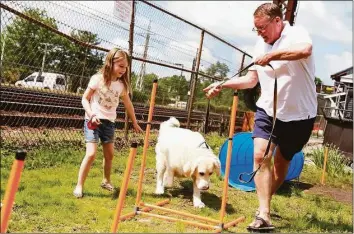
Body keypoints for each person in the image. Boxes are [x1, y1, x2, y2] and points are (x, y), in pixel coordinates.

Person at [203, 3, 317, 231]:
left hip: (299, 114)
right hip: (268, 109)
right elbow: (251, 80)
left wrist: (273, 55)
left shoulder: (295, 33)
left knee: (282, 161)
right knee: (259, 156)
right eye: (256, 29)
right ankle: (263, 213)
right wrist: (223, 84)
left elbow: (305, 50)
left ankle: (266, 201)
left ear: (277, 21)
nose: (260, 33)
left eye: (262, 28)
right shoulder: (259, 44)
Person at [73, 48, 143, 198]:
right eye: (121, 66)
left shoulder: (121, 85)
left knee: (109, 154)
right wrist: (91, 114)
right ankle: (79, 185)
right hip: (93, 120)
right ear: (110, 63)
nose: (124, 70)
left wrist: (135, 123)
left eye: (126, 68)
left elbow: (128, 105)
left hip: (109, 123)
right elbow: (85, 99)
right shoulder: (97, 79)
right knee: (91, 154)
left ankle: (106, 180)